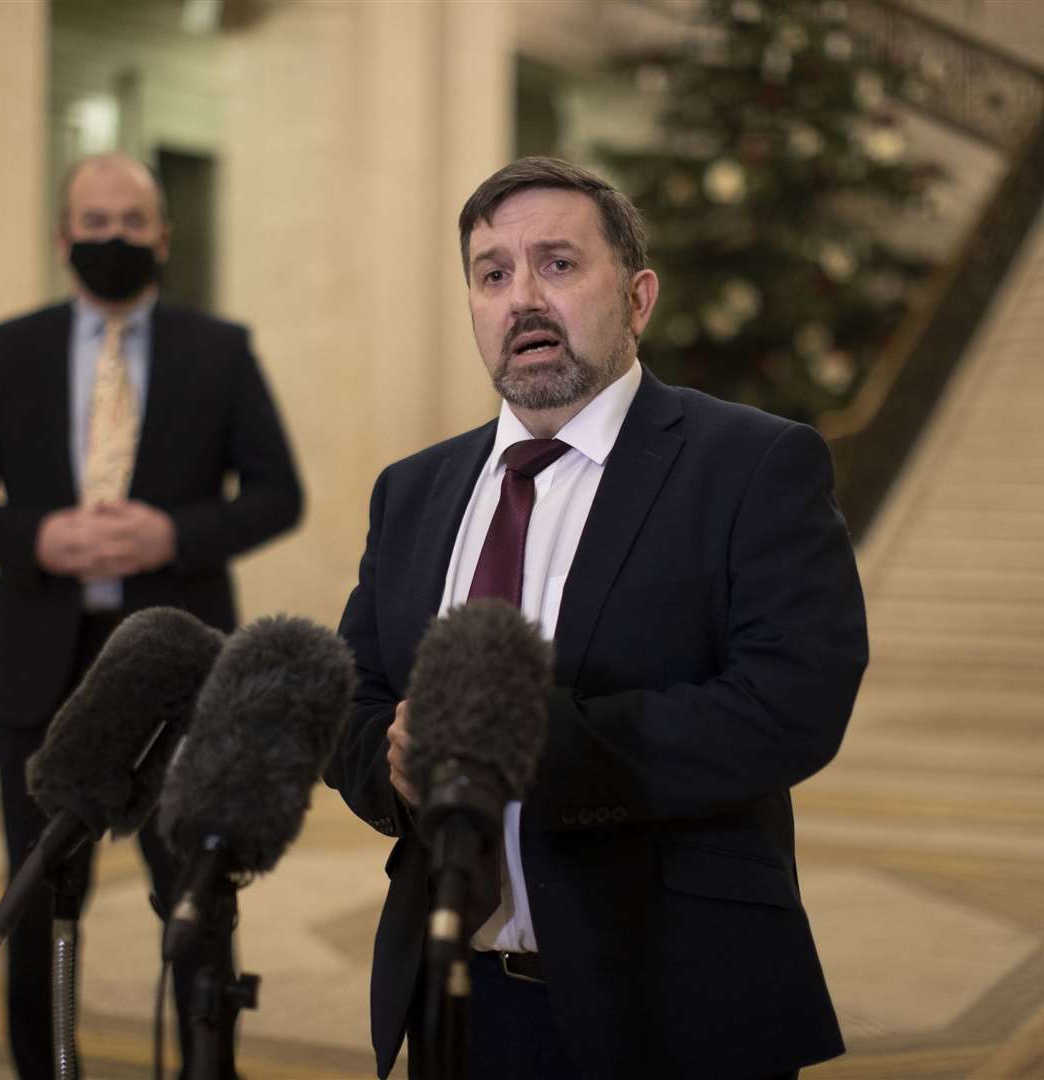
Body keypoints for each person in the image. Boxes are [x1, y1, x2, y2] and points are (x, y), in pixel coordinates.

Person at [325, 157, 868, 1080]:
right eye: (492, 273)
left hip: (671, 998)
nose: (522, 299)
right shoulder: (413, 491)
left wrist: (535, 743)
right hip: (458, 997)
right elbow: (350, 699)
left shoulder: (751, 464)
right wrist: (395, 764)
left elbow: (791, 703)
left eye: (559, 264)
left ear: (638, 296)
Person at [0, 153, 301, 1079]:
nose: (113, 240)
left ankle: (205, 1067)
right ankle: (48, 1070)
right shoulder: (3, 349)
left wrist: (171, 530)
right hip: (38, 664)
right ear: (62, 239)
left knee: (192, 895)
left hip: (179, 666)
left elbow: (276, 495)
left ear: (164, 237)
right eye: (93, 223)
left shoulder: (221, 349)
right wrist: (36, 537)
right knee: (44, 890)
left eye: (132, 222)